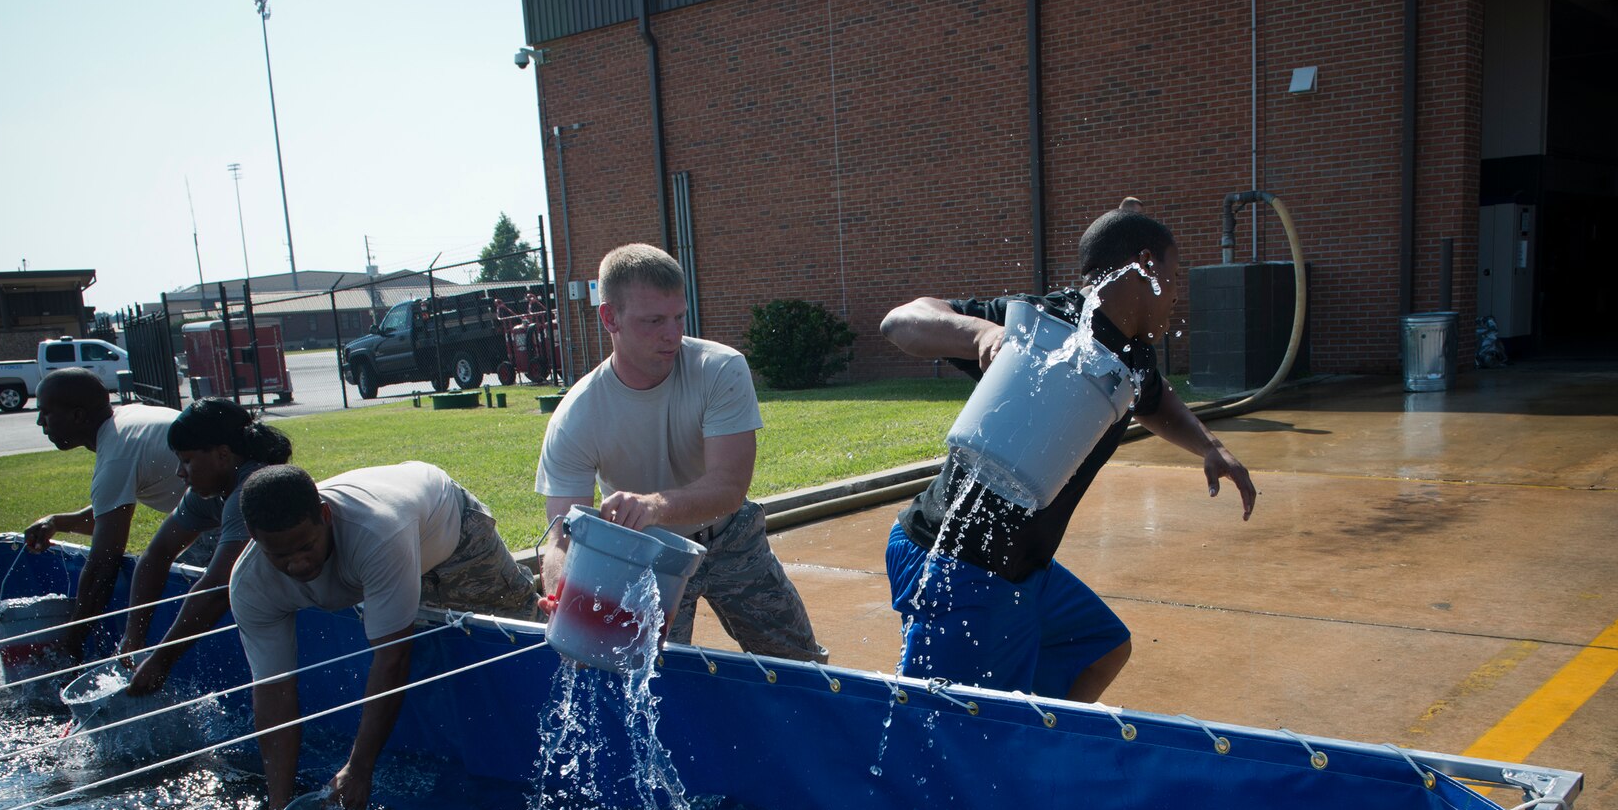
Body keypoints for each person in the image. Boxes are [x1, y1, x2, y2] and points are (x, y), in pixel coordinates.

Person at [879, 203, 1257, 701]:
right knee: (944, 729)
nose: (1177, 294)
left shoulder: (1133, 355)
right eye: (1174, 275)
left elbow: (1154, 398)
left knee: (1098, 647)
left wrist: (1210, 446)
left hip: (1023, 568)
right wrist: (984, 335)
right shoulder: (1046, 329)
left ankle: (1025, 746)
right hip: (955, 561)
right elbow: (900, 322)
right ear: (1144, 267)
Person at [535, 243, 826, 662]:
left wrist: (651, 506)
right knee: (641, 676)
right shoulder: (577, 416)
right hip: (646, 557)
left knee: (800, 667)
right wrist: (563, 590)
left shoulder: (719, 369)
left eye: (678, 317)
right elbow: (563, 534)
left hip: (729, 535)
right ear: (609, 317)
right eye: (653, 321)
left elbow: (728, 489)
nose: (672, 335)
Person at [229, 462, 540, 810]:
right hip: (384, 549)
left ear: (325, 515)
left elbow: (392, 658)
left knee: (515, 630)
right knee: (428, 649)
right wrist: (279, 806)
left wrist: (358, 769)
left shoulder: (377, 532)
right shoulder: (250, 584)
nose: (298, 565)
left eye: (305, 546)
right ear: (254, 539)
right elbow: (274, 691)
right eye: (280, 556)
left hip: (450, 533)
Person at [120, 399, 294, 697]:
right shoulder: (208, 492)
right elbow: (156, 554)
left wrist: (162, 660)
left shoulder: (252, 491)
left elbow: (217, 587)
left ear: (222, 455)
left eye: (186, 460)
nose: (179, 472)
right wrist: (133, 638)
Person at [21, 367, 185, 661]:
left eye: (45, 412)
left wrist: (72, 642)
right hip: (235, 500)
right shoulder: (124, 421)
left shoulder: (117, 454)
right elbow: (108, 516)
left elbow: (103, 564)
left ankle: (138, 654)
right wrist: (58, 522)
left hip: (233, 512)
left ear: (79, 416)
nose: (38, 422)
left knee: (174, 577)